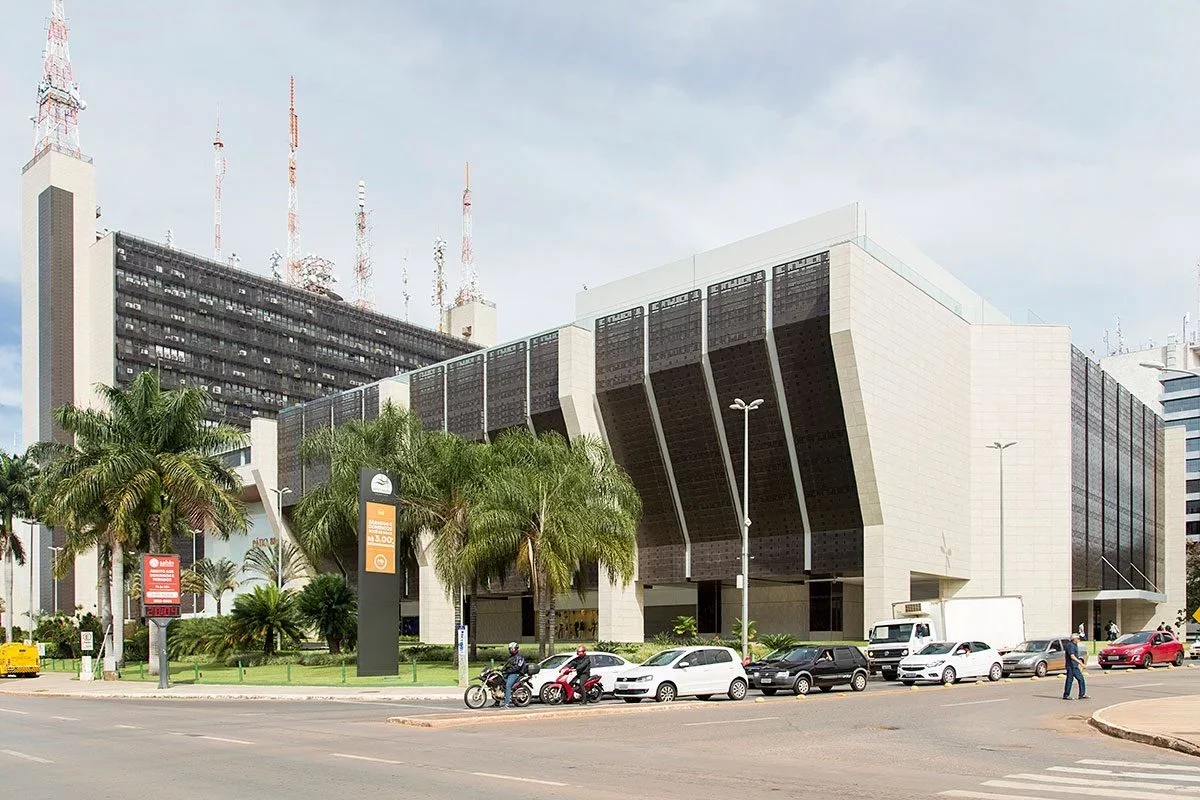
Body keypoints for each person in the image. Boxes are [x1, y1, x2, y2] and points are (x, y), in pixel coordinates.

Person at [500, 642, 526, 709]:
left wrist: (508, 670)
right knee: (499, 683)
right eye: (510, 649)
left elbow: (517, 667)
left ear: (516, 648)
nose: (511, 650)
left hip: (515, 673)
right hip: (508, 673)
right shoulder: (511, 657)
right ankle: (497, 702)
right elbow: (507, 665)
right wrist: (502, 669)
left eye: (512, 649)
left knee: (508, 686)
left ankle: (506, 704)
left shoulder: (520, 657)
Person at [1063, 632, 1088, 701]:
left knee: (1080, 679)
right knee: (1070, 680)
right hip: (1071, 666)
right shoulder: (1070, 645)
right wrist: (1081, 663)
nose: (1079, 640)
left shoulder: (1075, 645)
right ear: (1074, 639)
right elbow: (1072, 656)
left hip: (1074, 666)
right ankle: (1066, 695)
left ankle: (1081, 694)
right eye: (1078, 638)